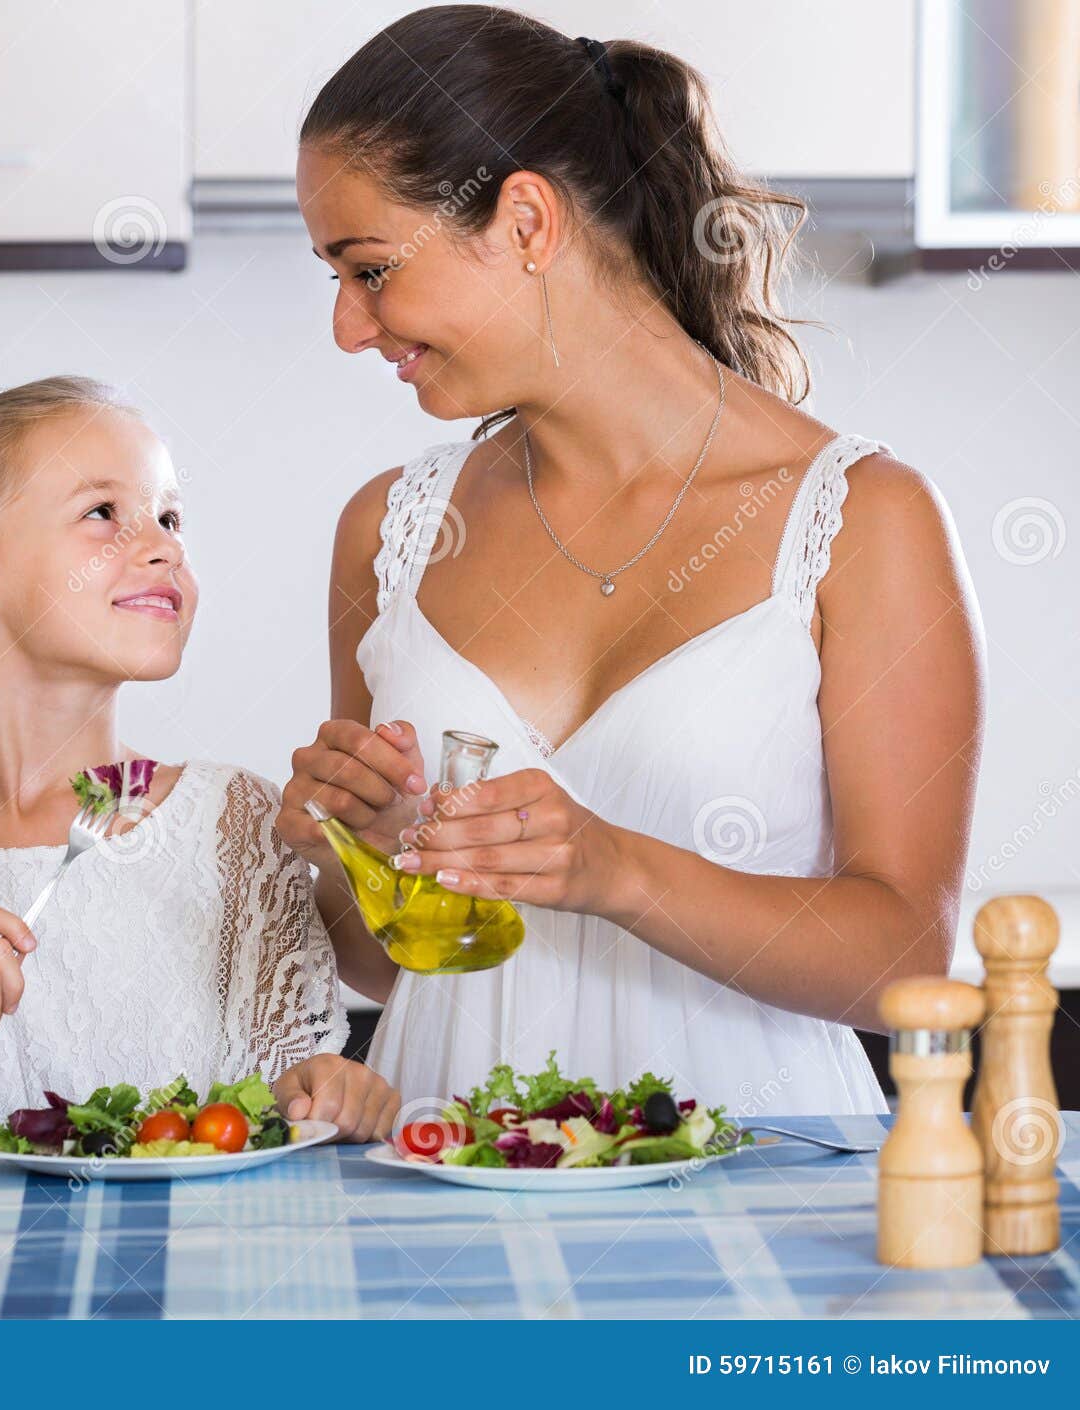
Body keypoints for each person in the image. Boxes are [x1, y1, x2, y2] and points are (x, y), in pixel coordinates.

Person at [279, 7, 984, 1116]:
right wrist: (348, 854)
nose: (349, 330)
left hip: (758, 1199)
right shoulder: (390, 532)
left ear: (524, 220)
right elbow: (385, 963)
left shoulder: (863, 520)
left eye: (366, 269)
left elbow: (907, 964)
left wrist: (619, 872)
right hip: (446, 1196)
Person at [0, 376, 400, 1139]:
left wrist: (319, 1092)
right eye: (102, 514)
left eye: (168, 516)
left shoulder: (240, 825)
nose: (165, 546)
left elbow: (283, 1100)